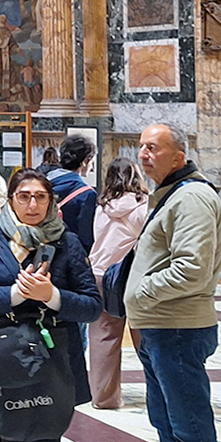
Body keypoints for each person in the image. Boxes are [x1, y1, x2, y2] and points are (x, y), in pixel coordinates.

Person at [0, 167, 102, 442]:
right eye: (24, 197)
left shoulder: (67, 242)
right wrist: (15, 294)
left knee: (47, 438)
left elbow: (91, 305)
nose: (32, 205)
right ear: (11, 200)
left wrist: (51, 296)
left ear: (52, 201)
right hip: (2, 354)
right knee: (11, 435)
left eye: (40, 197)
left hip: (53, 353)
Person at [125, 123, 221, 442]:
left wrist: (140, 292)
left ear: (178, 157)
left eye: (153, 148)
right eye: (142, 146)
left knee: (191, 430)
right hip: (160, 327)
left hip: (177, 331)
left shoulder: (192, 197)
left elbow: (191, 269)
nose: (143, 154)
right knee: (168, 426)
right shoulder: (171, 194)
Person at [89, 157, 149, 409]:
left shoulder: (102, 206)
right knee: (145, 336)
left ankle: (104, 397)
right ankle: (160, 390)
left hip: (101, 272)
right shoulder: (143, 206)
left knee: (103, 336)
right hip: (131, 276)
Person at [48, 135, 98, 254]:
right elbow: (85, 237)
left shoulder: (43, 183)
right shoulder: (86, 194)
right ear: (85, 161)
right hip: (68, 253)